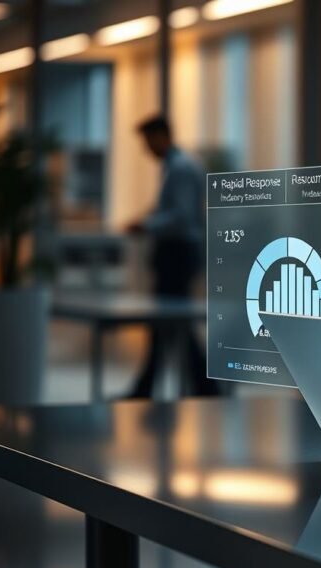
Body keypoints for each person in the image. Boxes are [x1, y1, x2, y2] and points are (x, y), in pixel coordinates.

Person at [126, 115, 218, 398]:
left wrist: (148, 225)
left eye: (148, 141)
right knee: (173, 323)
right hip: (176, 253)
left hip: (177, 254)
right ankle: (201, 388)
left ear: (160, 136)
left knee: (170, 321)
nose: (146, 149)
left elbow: (181, 216)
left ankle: (198, 387)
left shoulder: (179, 168)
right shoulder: (176, 167)